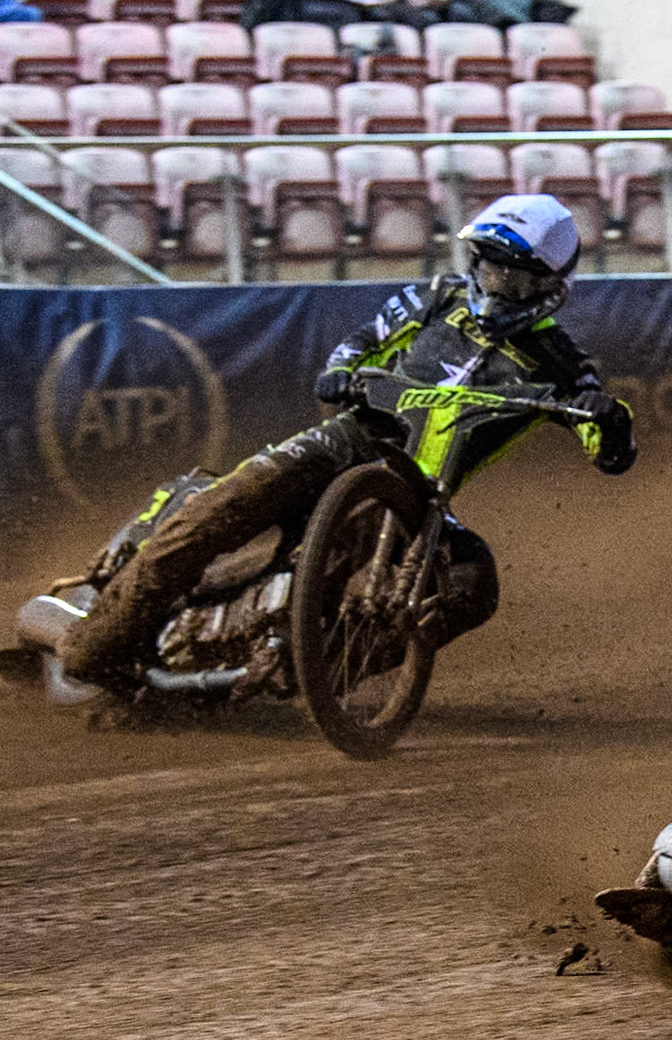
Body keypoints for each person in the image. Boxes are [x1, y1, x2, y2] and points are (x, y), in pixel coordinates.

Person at [60, 194, 637, 687]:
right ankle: (96, 644)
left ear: (548, 284)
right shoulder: (438, 296)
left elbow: (610, 452)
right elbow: (363, 340)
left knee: (473, 582)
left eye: (513, 277)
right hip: (353, 437)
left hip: (426, 496)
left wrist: (607, 420)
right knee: (230, 501)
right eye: (488, 270)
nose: (497, 287)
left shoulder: (563, 363)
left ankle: (323, 670)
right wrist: (341, 370)